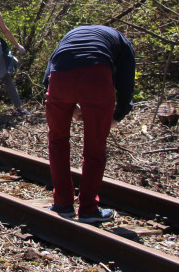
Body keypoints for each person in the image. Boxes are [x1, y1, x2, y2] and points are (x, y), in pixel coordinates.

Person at [43, 25, 136, 224]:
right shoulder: (122, 42)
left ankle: (62, 204)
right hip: (96, 78)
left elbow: (48, 75)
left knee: (57, 142)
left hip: (60, 78)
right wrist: (118, 115)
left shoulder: (69, 35)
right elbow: (126, 82)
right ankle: (88, 209)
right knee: (95, 147)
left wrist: (70, 104)